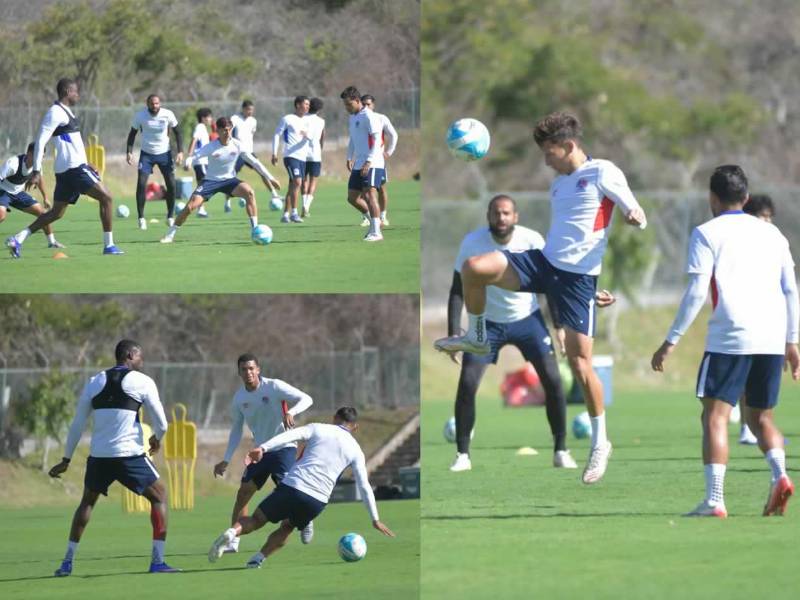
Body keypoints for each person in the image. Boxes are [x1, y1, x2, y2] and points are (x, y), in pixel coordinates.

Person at [434, 112, 647, 484]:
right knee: (473, 268)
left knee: (581, 366)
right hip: (545, 265)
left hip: (578, 281)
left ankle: (600, 442)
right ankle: (478, 335)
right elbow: (565, 239)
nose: (545, 160)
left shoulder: (602, 171)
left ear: (568, 146)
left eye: (550, 153)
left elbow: (628, 204)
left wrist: (634, 214)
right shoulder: (558, 185)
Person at [652, 167, 799, 518]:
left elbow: (697, 292)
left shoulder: (706, 233)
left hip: (730, 337)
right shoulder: (773, 233)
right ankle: (780, 475)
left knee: (715, 417)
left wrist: (671, 340)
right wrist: (793, 340)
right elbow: (791, 289)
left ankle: (715, 500)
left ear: (712, 198)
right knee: (761, 418)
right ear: (746, 198)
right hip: (771, 336)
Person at [448, 194, 617, 472]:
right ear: (488, 216)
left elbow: (554, 283)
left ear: (516, 217)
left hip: (528, 320)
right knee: (467, 384)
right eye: (495, 213)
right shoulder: (471, 243)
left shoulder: (533, 240)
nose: (500, 218)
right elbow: (457, 290)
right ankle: (463, 455)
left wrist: (560, 325)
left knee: (553, 381)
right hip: (487, 325)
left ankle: (561, 450)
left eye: (506, 213)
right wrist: (455, 331)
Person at [48, 339, 178, 576]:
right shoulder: (142, 381)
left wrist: (66, 459)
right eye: (139, 356)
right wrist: (156, 439)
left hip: (99, 457)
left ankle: (67, 562)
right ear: (129, 355)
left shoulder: (94, 381)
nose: (142, 360)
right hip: (129, 455)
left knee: (87, 502)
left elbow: (77, 424)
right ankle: (157, 561)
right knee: (160, 496)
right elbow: (162, 423)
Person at [208, 407, 395, 569]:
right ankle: (257, 559)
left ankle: (232, 533)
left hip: (293, 486)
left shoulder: (318, 428)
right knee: (287, 528)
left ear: (334, 419)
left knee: (257, 520)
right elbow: (364, 485)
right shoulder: (356, 450)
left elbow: (288, 436)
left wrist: (263, 448)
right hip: (317, 500)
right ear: (355, 427)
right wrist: (375, 519)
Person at [5, 78, 122, 257]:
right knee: (106, 198)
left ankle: (18, 239)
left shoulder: (65, 112)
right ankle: (109, 246)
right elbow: (40, 141)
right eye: (76, 91)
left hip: (72, 168)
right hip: (73, 169)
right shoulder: (55, 112)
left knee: (56, 213)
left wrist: (87, 163)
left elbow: (71, 144)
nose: (78, 95)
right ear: (67, 92)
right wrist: (36, 170)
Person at [213, 353, 314, 553]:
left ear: (258, 369)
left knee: (291, 493)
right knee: (243, 493)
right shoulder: (239, 398)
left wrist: (291, 412)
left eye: (252, 368)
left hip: (284, 448)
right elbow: (236, 429)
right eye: (244, 369)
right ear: (239, 372)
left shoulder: (274, 386)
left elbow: (307, 399)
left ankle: (307, 519)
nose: (248, 372)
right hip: (260, 452)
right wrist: (225, 459)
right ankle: (234, 542)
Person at [162, 117, 280, 244]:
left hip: (230, 181)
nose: (227, 133)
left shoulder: (238, 145)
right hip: (210, 182)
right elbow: (195, 156)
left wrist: (271, 178)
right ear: (217, 130)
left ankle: (255, 229)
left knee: (249, 192)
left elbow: (255, 163)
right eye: (224, 130)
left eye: (229, 130)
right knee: (190, 207)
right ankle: (170, 234)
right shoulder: (212, 146)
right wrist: (188, 162)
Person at [126, 94, 183, 230]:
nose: (155, 106)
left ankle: (170, 216)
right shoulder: (140, 116)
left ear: (160, 104)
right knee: (141, 184)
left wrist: (180, 151)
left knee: (171, 185)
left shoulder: (168, 114)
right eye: (152, 104)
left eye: (157, 103)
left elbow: (178, 132)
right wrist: (129, 151)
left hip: (165, 154)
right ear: (147, 104)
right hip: (147, 155)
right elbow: (132, 134)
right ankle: (141, 218)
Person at [0, 142, 65, 249]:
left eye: (42, 156)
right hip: (2, 191)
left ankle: (52, 242)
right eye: (38, 155)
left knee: (43, 214)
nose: (40, 159)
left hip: (18, 193)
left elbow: (39, 180)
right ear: (29, 153)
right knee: (1, 216)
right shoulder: (13, 163)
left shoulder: (37, 166)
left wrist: (45, 198)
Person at [341, 86, 384, 242]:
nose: (346, 108)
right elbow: (353, 139)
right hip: (359, 162)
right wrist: (348, 157)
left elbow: (377, 139)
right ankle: (375, 221)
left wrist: (369, 161)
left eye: (349, 104)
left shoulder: (369, 116)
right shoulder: (353, 117)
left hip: (372, 162)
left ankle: (376, 232)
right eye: (345, 105)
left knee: (369, 194)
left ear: (358, 101)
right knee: (352, 198)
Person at [230, 100, 282, 213]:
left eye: (252, 110)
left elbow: (252, 133)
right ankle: (227, 203)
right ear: (243, 109)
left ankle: (274, 194)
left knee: (261, 171)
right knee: (231, 175)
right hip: (238, 153)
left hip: (249, 151)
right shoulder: (234, 118)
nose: (250, 112)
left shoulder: (253, 121)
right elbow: (229, 132)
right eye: (248, 109)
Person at [360, 94, 397, 228]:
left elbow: (394, 134)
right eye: (363, 104)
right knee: (364, 189)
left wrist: (389, 152)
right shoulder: (359, 118)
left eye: (368, 104)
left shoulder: (381, 118)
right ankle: (367, 217)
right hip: (362, 160)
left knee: (380, 188)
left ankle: (383, 216)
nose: (366, 107)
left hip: (377, 160)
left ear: (373, 105)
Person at [272, 96, 310, 223]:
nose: (308, 106)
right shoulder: (287, 119)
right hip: (290, 156)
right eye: (306, 104)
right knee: (298, 182)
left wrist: (308, 136)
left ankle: (285, 215)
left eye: (309, 104)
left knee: (293, 186)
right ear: (298, 105)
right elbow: (277, 134)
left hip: (302, 158)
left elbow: (311, 137)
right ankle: (294, 213)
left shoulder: (307, 121)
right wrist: (274, 153)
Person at [183, 107, 213, 218]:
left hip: (203, 161)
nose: (211, 119)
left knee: (202, 185)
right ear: (203, 118)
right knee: (205, 185)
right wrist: (189, 157)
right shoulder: (200, 127)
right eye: (209, 117)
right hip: (200, 162)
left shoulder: (203, 128)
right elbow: (194, 140)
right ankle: (195, 207)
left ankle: (200, 208)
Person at [301, 97, 325, 218]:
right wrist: (320, 148)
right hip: (316, 154)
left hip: (303, 154)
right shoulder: (321, 121)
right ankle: (307, 206)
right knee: (313, 180)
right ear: (319, 109)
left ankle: (303, 203)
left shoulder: (302, 119)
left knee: (303, 180)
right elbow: (322, 137)